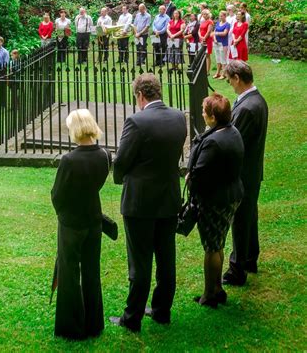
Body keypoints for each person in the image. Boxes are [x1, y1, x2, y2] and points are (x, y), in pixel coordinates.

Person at [110, 73, 186, 331]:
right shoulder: (179, 117)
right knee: (166, 259)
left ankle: (132, 319)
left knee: (140, 262)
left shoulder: (136, 121)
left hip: (140, 202)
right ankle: (162, 311)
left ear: (140, 95)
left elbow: (121, 162)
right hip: (168, 199)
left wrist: (119, 177)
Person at [51, 109, 110, 340]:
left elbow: (57, 194)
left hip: (72, 222)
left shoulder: (69, 160)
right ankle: (94, 323)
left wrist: (63, 213)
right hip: (93, 219)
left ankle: (72, 326)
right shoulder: (104, 155)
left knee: (69, 272)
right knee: (91, 271)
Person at [187, 94, 244, 308]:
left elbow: (199, 174)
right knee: (218, 242)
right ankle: (217, 289)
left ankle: (210, 293)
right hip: (231, 195)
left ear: (212, 117)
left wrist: (190, 179)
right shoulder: (233, 132)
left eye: (204, 110)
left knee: (212, 247)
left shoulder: (213, 142)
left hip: (216, 200)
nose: (201, 113)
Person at [223, 61, 268, 287]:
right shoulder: (257, 100)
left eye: (230, 79)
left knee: (240, 220)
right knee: (250, 216)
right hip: (252, 171)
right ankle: (250, 257)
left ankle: (237, 268)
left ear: (238, 78)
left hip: (243, 174)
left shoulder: (247, 108)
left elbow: (233, 141)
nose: (229, 84)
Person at [213, 11, 230, 78]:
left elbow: (224, 33)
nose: (220, 17)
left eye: (221, 16)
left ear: (225, 16)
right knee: (218, 58)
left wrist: (217, 33)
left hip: (223, 44)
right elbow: (214, 32)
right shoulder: (217, 23)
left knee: (223, 58)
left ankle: (224, 73)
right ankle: (218, 72)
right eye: (219, 16)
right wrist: (214, 39)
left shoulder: (227, 24)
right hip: (216, 43)